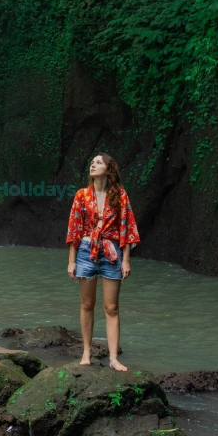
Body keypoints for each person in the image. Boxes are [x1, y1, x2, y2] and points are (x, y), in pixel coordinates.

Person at [66, 153, 140, 371]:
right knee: (87, 304)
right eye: (92, 162)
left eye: (98, 162)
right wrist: (71, 261)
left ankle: (114, 358)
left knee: (111, 307)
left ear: (109, 169)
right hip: (86, 251)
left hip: (111, 251)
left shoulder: (120, 195)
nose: (93, 165)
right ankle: (86, 353)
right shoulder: (81, 195)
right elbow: (74, 229)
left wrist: (126, 260)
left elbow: (126, 227)